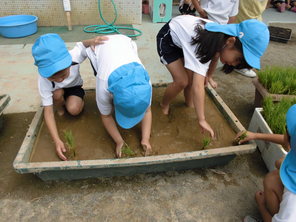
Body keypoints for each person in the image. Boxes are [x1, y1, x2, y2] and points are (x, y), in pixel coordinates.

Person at [156, 15, 270, 138]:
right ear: (230, 41)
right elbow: (198, 86)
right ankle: (164, 105)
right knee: (182, 81)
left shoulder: (221, 39)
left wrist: (208, 76)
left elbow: (215, 59)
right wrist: (202, 120)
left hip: (186, 40)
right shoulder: (204, 44)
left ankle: (189, 104)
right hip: (169, 38)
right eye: (238, 59)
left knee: (191, 79)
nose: (235, 64)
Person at [70, 34, 152, 158]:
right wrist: (119, 142)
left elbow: (147, 111)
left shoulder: (146, 84)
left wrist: (145, 140)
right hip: (100, 46)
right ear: (112, 95)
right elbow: (106, 115)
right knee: (106, 108)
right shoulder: (104, 83)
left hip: (125, 42)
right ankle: (117, 106)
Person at [32, 33, 107, 161]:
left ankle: (70, 103)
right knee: (57, 94)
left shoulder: (73, 57)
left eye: (63, 75)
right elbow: (48, 112)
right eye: (53, 78)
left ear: (67, 63)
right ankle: (60, 107)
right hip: (57, 92)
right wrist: (57, 141)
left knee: (73, 110)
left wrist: (92, 41)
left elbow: (82, 45)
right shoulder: (43, 79)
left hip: (74, 88)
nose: (59, 79)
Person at [237, 104, 296, 222]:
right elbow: (287, 140)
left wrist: (261, 205)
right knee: (278, 166)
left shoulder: (292, 201)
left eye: (286, 128)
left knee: (273, 175)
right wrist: (255, 135)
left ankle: (274, 217)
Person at [235, 0, 270, 78]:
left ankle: (243, 63)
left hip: (254, 13)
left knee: (251, 36)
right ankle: (239, 65)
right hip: (246, 12)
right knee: (244, 37)